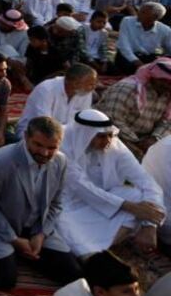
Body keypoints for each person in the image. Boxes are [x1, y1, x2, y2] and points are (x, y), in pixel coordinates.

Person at [0, 116, 83, 290]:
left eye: (51, 148)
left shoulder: (60, 162)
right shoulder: (0, 162)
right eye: (38, 145)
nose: (44, 153)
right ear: (26, 137)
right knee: (5, 280)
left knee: (72, 273)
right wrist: (13, 239)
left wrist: (41, 233)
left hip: (32, 227)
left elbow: (56, 204)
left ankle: (22, 252)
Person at [57, 109, 165, 258]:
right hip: (67, 204)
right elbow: (83, 188)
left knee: (136, 195)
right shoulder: (62, 145)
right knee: (64, 228)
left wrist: (150, 225)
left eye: (110, 135)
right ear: (85, 135)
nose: (108, 141)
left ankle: (111, 246)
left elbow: (146, 181)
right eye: (101, 136)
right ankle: (100, 254)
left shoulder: (113, 144)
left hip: (108, 200)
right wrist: (132, 208)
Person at [96, 58, 171, 155]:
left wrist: (155, 138)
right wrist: (137, 142)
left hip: (146, 139)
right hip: (114, 135)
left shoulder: (167, 94)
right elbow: (112, 119)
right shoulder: (128, 88)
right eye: (163, 80)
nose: (167, 85)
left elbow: (167, 122)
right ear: (153, 76)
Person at [16, 64, 97, 136]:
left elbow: (83, 121)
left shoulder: (85, 92)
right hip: (36, 134)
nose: (93, 88)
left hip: (67, 136)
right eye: (90, 84)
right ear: (75, 83)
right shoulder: (46, 89)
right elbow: (45, 124)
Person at [114, 3, 171, 74]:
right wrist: (139, 64)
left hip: (149, 58)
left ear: (155, 17)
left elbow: (168, 49)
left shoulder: (165, 30)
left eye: (143, 12)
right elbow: (124, 46)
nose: (138, 13)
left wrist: (160, 58)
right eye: (140, 10)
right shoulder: (127, 21)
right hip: (129, 57)